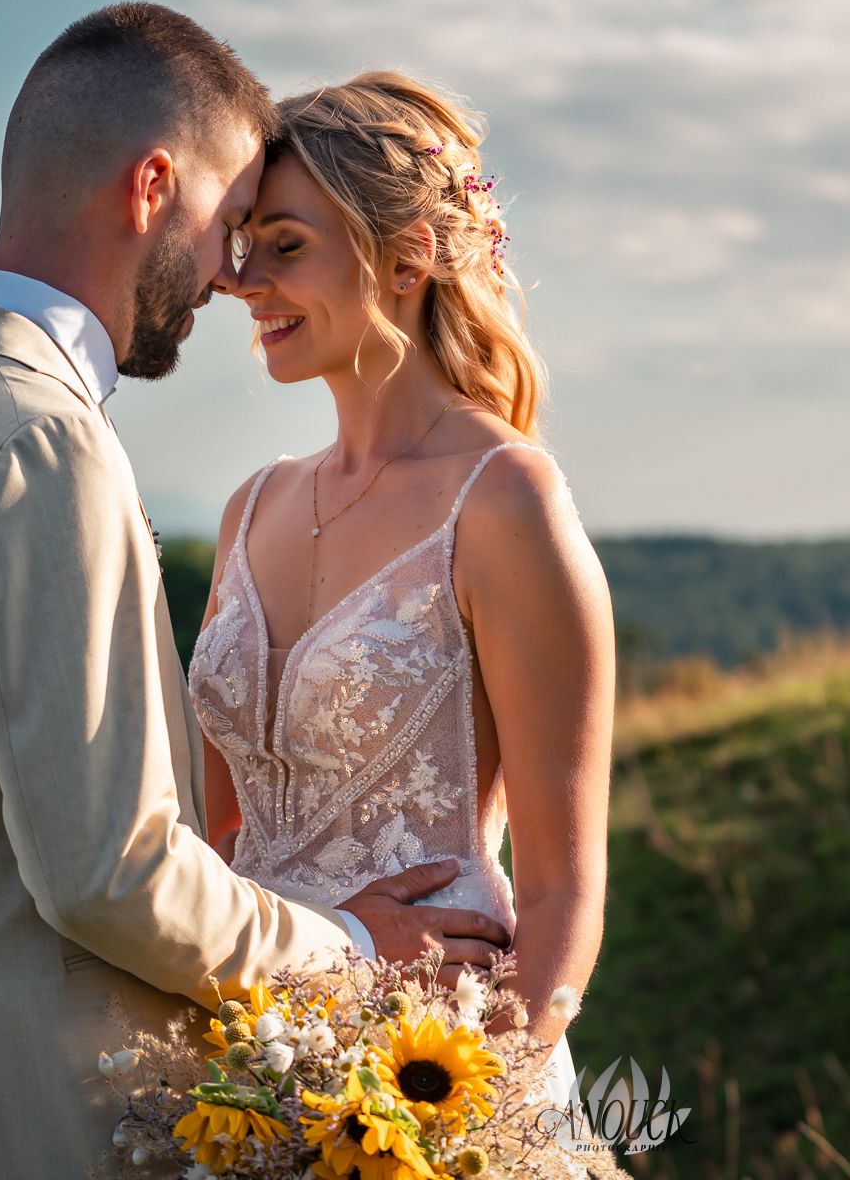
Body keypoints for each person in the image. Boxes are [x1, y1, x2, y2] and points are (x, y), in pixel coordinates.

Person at [0, 5, 506, 1179]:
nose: (233, 273)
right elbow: (107, 872)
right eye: (232, 220)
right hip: (30, 1115)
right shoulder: (41, 445)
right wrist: (348, 942)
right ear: (150, 188)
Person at [189, 72, 616, 1104]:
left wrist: (464, 1123)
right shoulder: (251, 506)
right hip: (251, 1064)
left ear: (408, 256)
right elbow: (217, 843)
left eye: (286, 246)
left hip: (440, 1065)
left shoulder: (502, 498)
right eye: (245, 247)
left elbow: (564, 886)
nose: (247, 283)